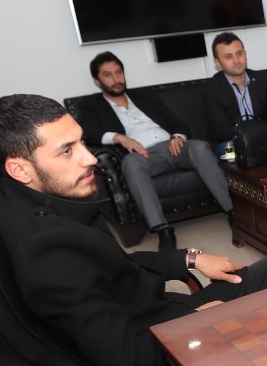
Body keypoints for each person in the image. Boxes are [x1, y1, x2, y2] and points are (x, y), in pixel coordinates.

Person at [0, 93, 267, 366]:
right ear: (19, 169)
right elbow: (130, 362)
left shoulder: (16, 198)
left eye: (81, 143)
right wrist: (199, 321)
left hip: (157, 315)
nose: (90, 158)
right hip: (168, 350)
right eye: (67, 151)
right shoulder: (48, 251)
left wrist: (190, 258)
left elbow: (111, 264)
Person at [73, 51, 233, 252]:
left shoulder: (145, 96)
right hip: (143, 155)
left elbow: (177, 122)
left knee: (200, 147)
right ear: (97, 81)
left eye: (119, 72)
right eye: (108, 75)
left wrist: (177, 136)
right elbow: (85, 131)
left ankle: (233, 212)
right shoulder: (91, 105)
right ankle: (163, 230)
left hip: (172, 147)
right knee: (131, 163)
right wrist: (119, 138)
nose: (116, 78)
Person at [200, 32, 267, 153]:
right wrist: (263, 135)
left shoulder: (261, 79)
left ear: (245, 54)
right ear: (217, 62)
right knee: (230, 149)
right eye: (228, 57)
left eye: (239, 53)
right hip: (232, 142)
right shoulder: (212, 89)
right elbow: (223, 131)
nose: (236, 60)